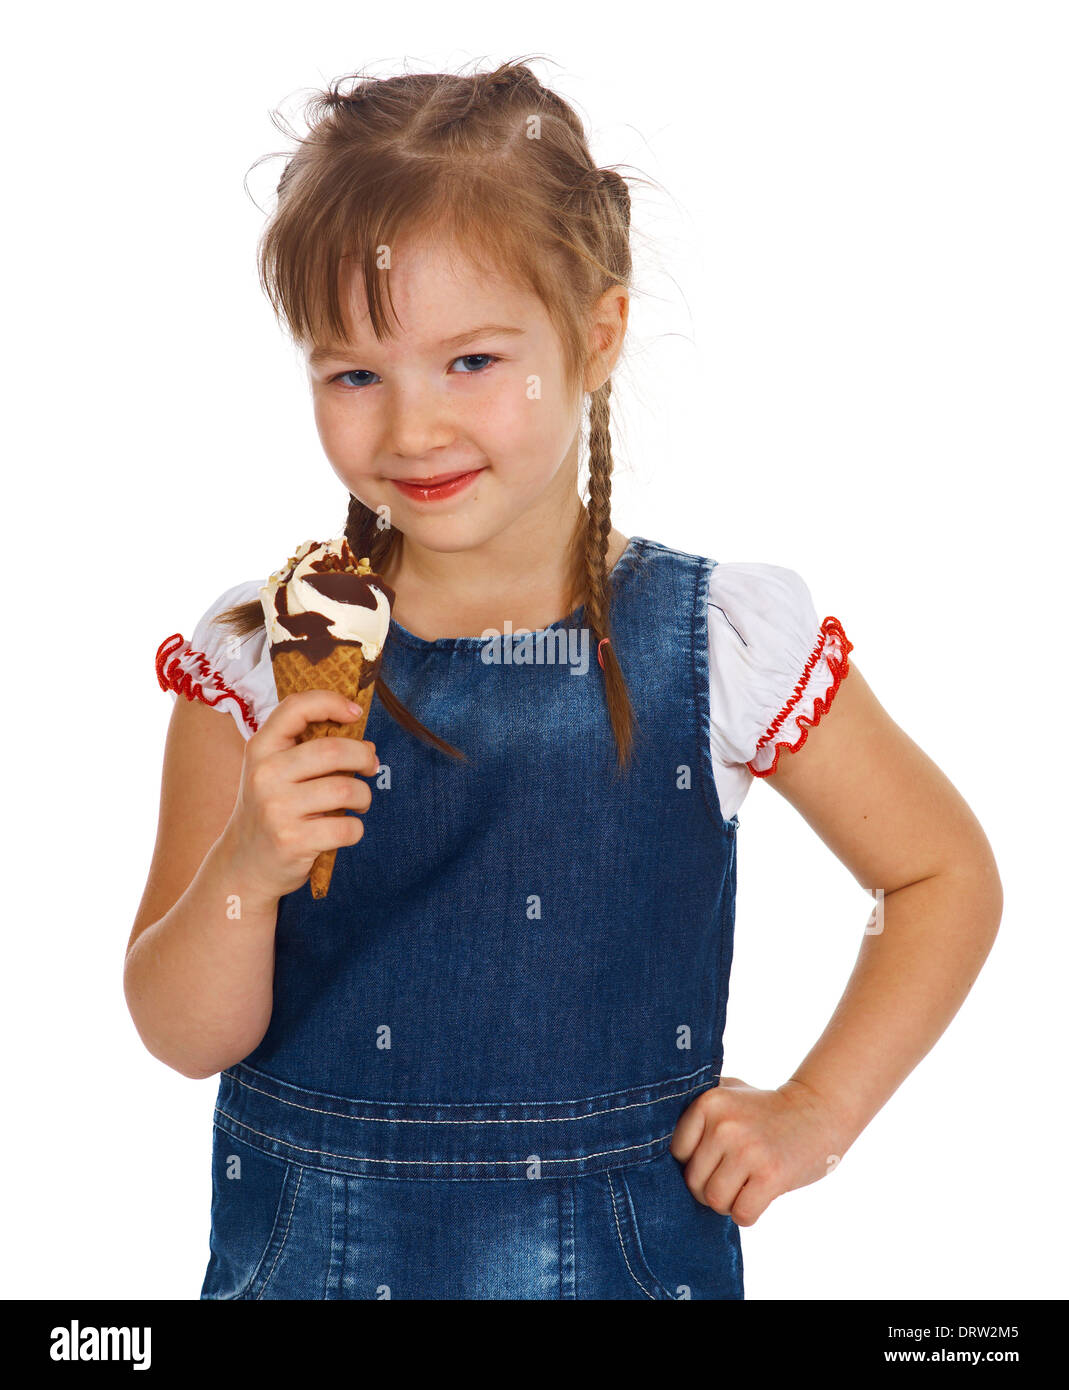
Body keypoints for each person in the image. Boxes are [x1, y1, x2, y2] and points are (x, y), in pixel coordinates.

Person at [128, 57, 1003, 1300]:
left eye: (472, 362)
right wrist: (245, 871)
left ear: (593, 336)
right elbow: (181, 1032)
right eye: (353, 373)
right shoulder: (256, 661)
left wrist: (815, 1109)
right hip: (308, 1268)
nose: (412, 426)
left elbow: (940, 874)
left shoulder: (714, 647)